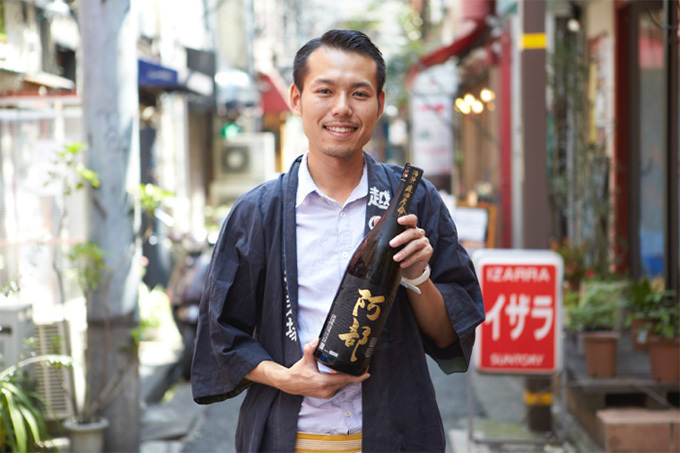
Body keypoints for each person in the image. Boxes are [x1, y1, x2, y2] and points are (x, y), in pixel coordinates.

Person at [191, 29, 485, 452]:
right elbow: (223, 335)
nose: (342, 109)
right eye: (325, 91)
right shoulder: (259, 211)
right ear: (296, 98)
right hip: (287, 439)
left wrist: (418, 277)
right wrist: (288, 377)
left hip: (396, 436)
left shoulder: (412, 201)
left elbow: (447, 335)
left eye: (360, 94)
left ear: (380, 103)